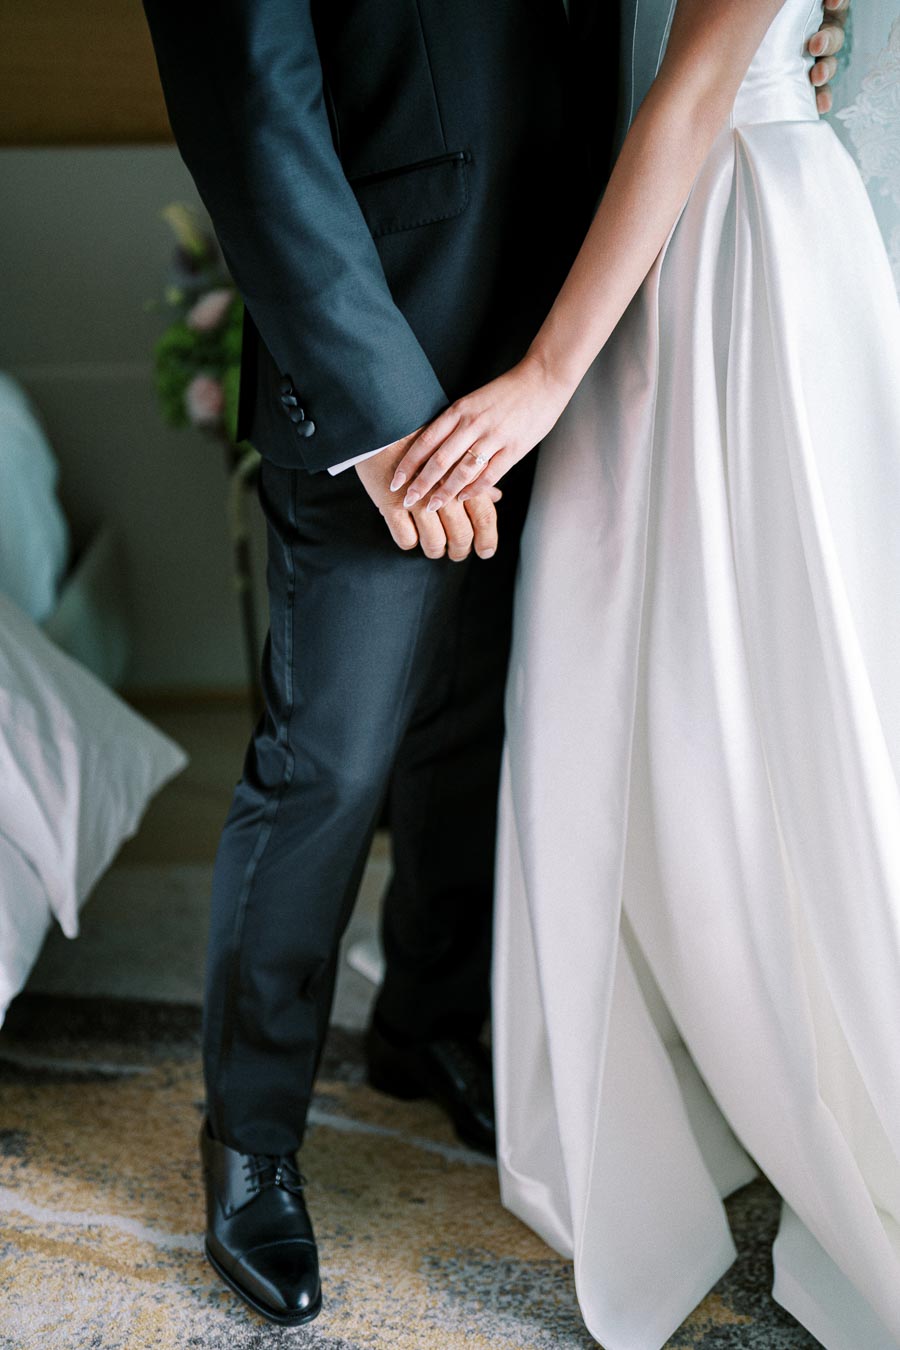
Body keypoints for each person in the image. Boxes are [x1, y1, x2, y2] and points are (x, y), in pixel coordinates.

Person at [140, 0, 848, 1330]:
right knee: (326, 767)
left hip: (596, 325)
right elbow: (246, 93)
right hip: (383, 354)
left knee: (490, 717)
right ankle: (248, 1134)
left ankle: (430, 1015)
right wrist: (376, 411)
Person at [394, 0, 900, 1345]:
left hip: (734, 234)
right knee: (653, 661)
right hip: (692, 220)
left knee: (742, 683)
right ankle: (705, 1014)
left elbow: (690, 93)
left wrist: (545, 380)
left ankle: (765, 1017)